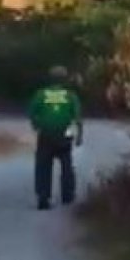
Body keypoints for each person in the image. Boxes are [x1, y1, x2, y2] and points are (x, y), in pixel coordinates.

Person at [28, 66, 83, 210]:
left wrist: (37, 126)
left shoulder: (41, 94)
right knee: (66, 165)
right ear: (64, 80)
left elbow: (32, 113)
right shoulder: (70, 95)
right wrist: (79, 136)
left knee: (43, 166)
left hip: (46, 134)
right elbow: (77, 118)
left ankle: (43, 197)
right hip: (64, 134)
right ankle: (67, 195)